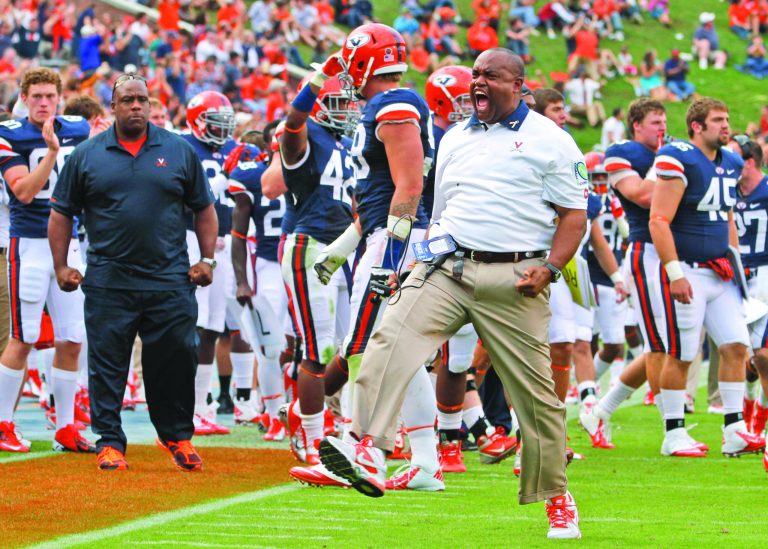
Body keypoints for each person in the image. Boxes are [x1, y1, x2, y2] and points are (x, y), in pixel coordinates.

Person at [318, 48, 587, 539]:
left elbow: (573, 216)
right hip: (449, 264)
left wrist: (550, 268)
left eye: (490, 76)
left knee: (536, 396)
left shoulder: (552, 139)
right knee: (389, 333)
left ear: (519, 84)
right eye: (475, 75)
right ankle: (368, 448)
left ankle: (557, 497)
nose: (477, 83)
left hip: (516, 276)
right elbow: (443, 213)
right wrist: (413, 261)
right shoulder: (456, 138)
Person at [48, 73, 218, 471]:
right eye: (127, 100)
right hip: (109, 279)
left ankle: (177, 435)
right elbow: (61, 213)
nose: (136, 106)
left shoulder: (178, 151)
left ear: (151, 103)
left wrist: (207, 259)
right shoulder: (87, 155)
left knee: (176, 357)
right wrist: (61, 265)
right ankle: (110, 442)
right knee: (108, 363)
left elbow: (204, 208)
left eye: (142, 99)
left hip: (169, 277)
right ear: (113, 107)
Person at [310, 23, 444, 492]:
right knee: (400, 350)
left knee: (363, 345)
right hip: (388, 233)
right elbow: (377, 196)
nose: (345, 72)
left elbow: (409, 186)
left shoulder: (393, 104)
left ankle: (357, 447)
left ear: (365, 61)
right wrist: (345, 247)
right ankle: (426, 464)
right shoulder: (386, 105)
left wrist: (391, 251)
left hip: (397, 237)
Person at [649, 98, 765, 458]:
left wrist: (735, 258)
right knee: (682, 354)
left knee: (735, 345)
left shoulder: (730, 161)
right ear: (697, 126)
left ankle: (734, 429)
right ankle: (673, 433)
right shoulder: (678, 156)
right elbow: (658, 219)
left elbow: (727, 216)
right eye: (718, 120)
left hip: (720, 272)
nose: (726, 125)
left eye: (727, 118)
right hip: (687, 270)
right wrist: (674, 272)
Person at [267, 72, 357, 486]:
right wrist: (312, 87)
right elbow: (291, 126)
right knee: (317, 347)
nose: (348, 110)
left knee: (346, 345)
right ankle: (316, 440)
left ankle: (308, 415)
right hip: (310, 247)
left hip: (340, 249)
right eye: (338, 103)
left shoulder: (342, 143)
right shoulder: (305, 137)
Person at [0, 68, 93, 454]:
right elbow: (23, 191)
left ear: (59, 97)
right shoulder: (10, 133)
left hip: (69, 244)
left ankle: (66, 426)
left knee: (73, 337)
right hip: (31, 245)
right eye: (36, 96)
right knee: (24, 337)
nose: (43, 103)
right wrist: (52, 150)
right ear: (24, 96)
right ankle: (3, 422)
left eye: (49, 96)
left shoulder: (79, 128)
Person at [580, 98, 669, 448]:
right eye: (654, 121)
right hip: (590, 270)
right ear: (636, 125)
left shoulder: (610, 201)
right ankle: (590, 402)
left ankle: (598, 408)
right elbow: (642, 197)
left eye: (664, 121)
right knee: (578, 343)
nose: (661, 127)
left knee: (648, 344)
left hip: (625, 266)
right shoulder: (622, 157)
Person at [732, 136, 768, 465]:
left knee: (764, 355)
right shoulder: (727, 192)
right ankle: (746, 413)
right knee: (746, 357)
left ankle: (758, 424)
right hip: (737, 278)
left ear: (749, 162)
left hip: (766, 275)